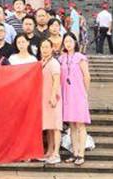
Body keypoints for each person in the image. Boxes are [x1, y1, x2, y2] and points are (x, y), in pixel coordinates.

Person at [59, 32, 90, 166]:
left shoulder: (80, 57)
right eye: (66, 41)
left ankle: (81, 154)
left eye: (70, 41)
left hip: (78, 94)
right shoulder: (61, 58)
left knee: (80, 124)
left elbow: (87, 76)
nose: (68, 44)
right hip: (66, 94)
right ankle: (74, 152)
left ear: (75, 43)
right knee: (71, 125)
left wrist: (85, 92)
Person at [39, 38, 62, 164]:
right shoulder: (42, 62)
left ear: (52, 48)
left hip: (53, 98)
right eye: (43, 47)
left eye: (47, 47)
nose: (45, 49)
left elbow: (56, 80)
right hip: (44, 98)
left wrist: (53, 96)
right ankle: (49, 151)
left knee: (56, 126)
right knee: (49, 126)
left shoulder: (54, 63)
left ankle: (56, 153)